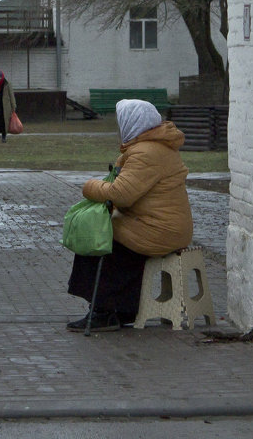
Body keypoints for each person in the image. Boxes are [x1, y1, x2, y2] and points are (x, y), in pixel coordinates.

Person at [66, 98, 193, 332]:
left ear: (132, 124)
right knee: (109, 236)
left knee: (95, 236)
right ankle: (121, 308)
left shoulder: (146, 152)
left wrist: (89, 186)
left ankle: (104, 311)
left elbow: (121, 195)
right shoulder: (154, 147)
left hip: (160, 230)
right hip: (163, 227)